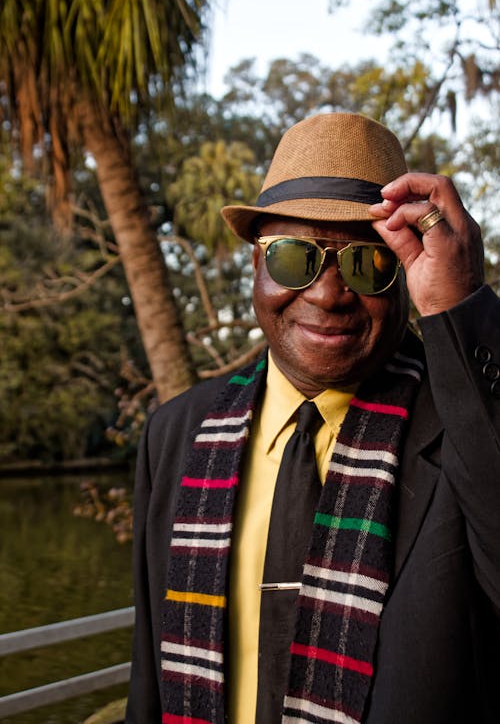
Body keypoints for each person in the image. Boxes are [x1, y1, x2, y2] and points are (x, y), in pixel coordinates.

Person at [125, 113, 500, 724]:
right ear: (255, 266)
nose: (328, 294)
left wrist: (461, 310)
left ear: (404, 277)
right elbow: (150, 682)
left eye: (367, 263)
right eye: (294, 257)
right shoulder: (176, 432)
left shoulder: (465, 425)